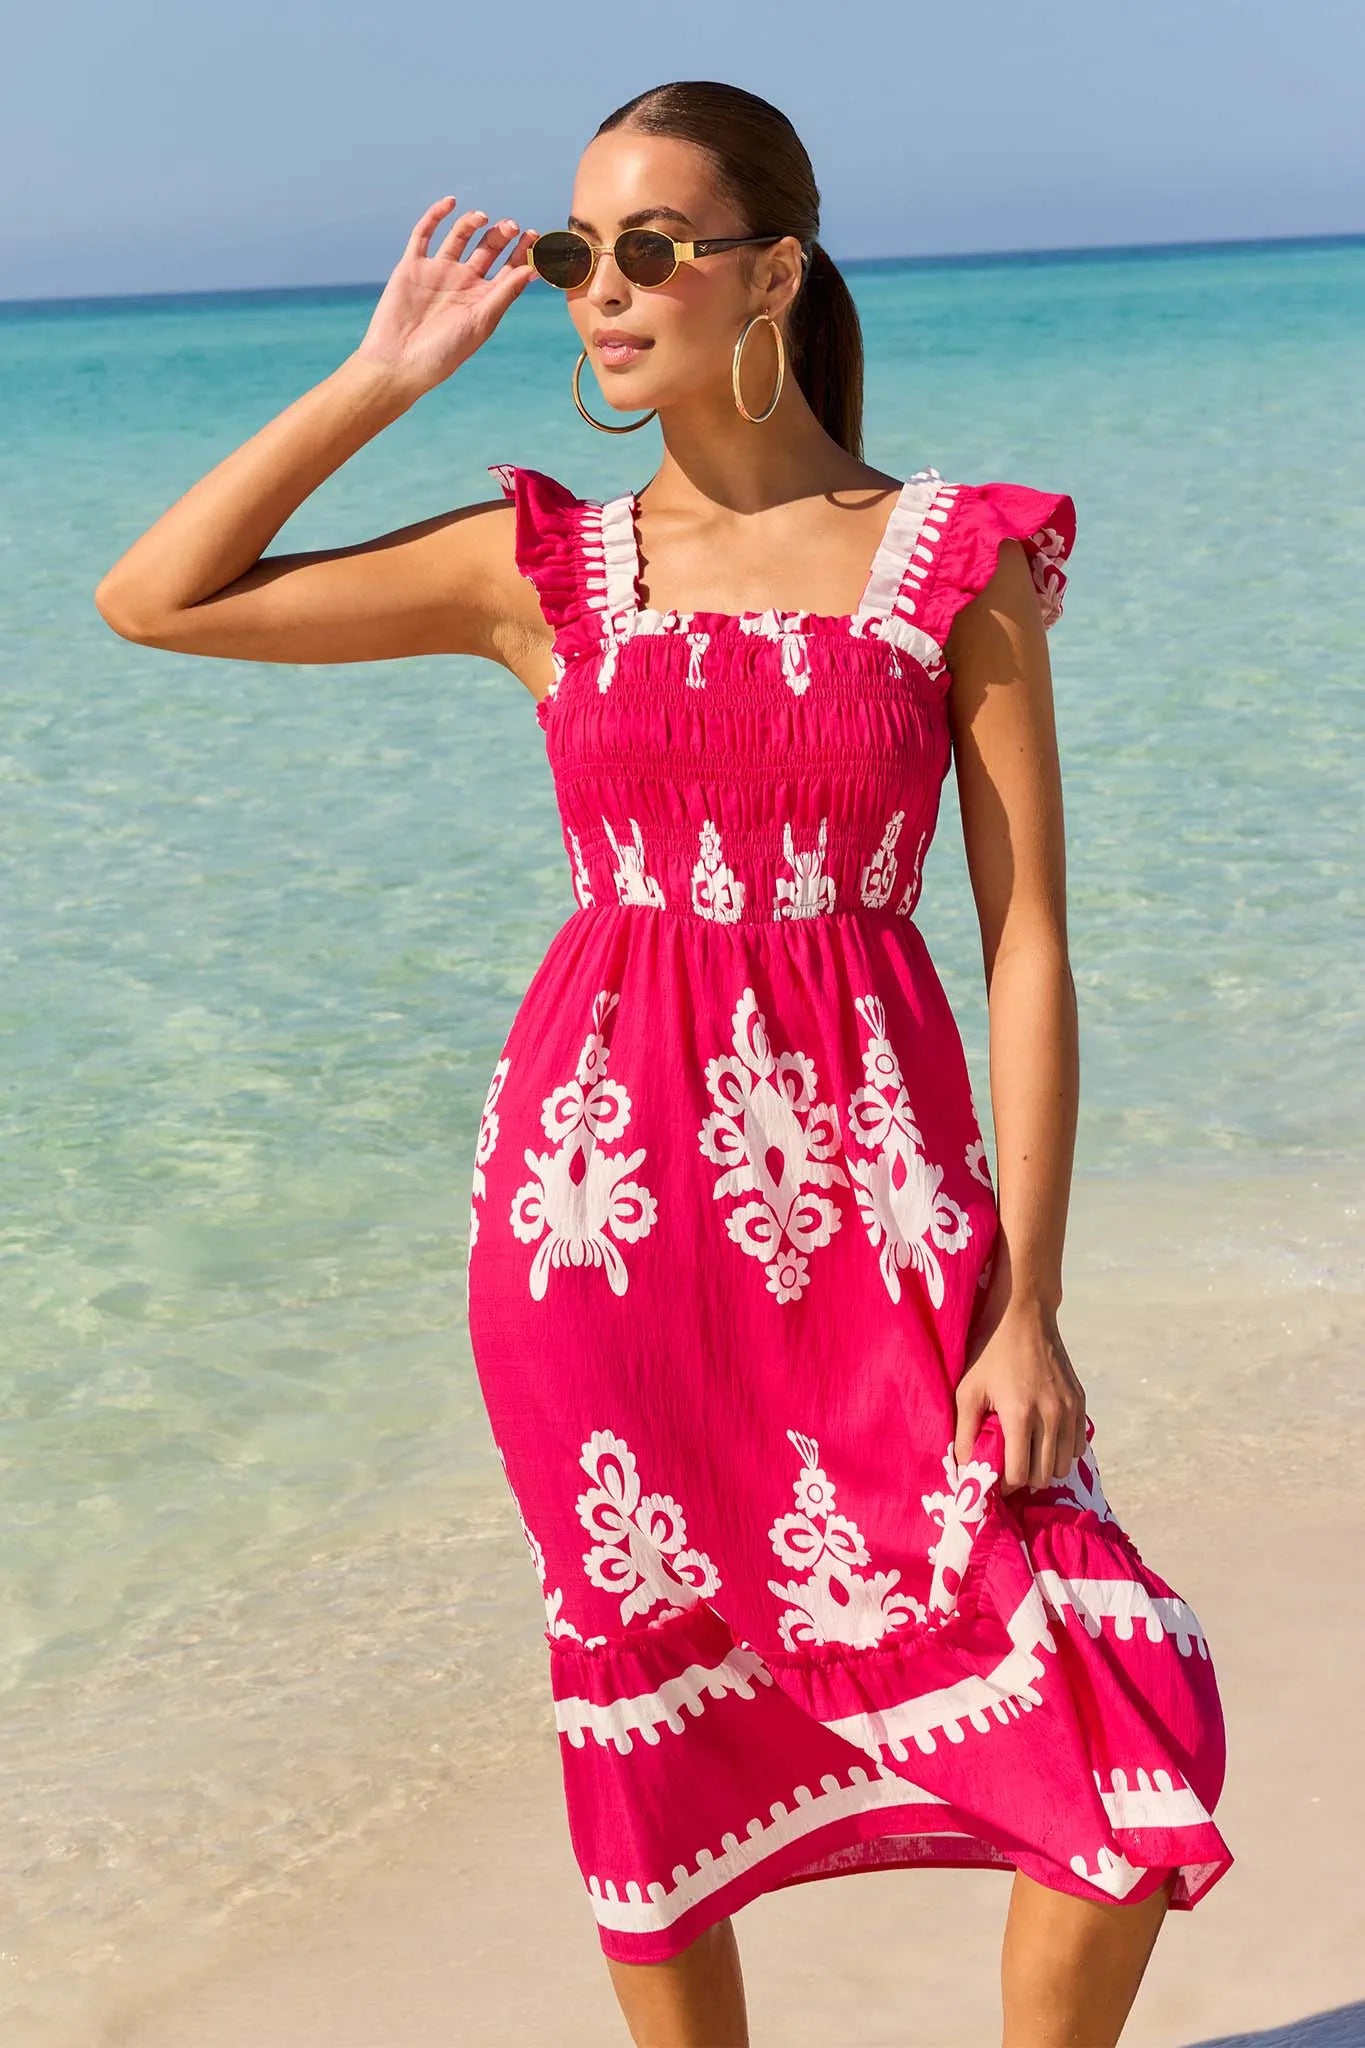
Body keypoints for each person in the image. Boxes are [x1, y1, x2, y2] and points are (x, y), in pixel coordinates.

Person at [95, 76, 1233, 2048]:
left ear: (771, 272)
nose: (598, 292)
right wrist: (382, 379)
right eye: (573, 255)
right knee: (648, 1729)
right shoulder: (542, 569)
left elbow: (1026, 942)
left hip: (889, 1237)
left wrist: (1027, 1302)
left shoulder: (952, 561)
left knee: (1117, 1708)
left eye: (647, 249)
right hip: (598, 1240)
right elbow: (157, 597)